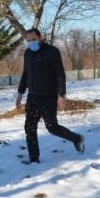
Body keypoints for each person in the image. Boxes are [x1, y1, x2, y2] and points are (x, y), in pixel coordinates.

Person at [15, 28, 85, 164]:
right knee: (29, 127)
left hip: (48, 97)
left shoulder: (52, 52)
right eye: (28, 41)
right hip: (33, 96)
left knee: (52, 127)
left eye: (33, 40)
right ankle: (34, 159)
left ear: (40, 37)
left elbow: (60, 74)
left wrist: (61, 95)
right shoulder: (28, 53)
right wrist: (20, 93)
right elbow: (25, 74)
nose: (31, 43)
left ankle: (76, 138)